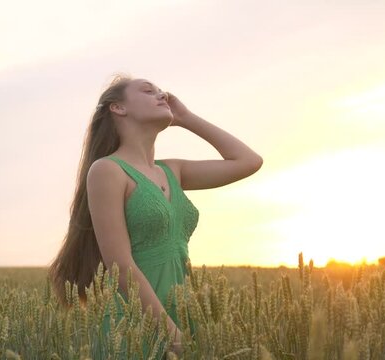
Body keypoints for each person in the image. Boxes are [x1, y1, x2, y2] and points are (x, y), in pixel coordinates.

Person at [48, 73, 263, 358]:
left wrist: (186, 117)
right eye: (149, 91)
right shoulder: (107, 171)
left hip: (184, 311)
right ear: (118, 108)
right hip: (139, 322)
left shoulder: (172, 170)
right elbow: (119, 264)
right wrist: (170, 332)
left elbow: (249, 162)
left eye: (161, 91)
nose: (162, 94)